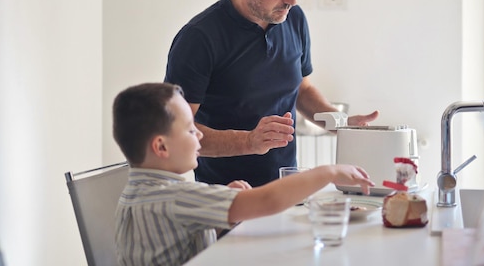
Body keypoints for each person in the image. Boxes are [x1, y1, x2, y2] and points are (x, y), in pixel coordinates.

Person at [164, 0, 379, 187]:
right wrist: (249, 141)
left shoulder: (293, 18)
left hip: (285, 191)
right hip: (225, 199)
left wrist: (340, 123)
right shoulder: (198, 38)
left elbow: (301, 90)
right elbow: (176, 132)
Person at [112, 82, 374, 266]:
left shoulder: (137, 194)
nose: (200, 134)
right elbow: (267, 201)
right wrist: (328, 172)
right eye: (191, 130)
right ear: (161, 147)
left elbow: (171, 238)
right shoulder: (174, 197)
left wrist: (217, 211)